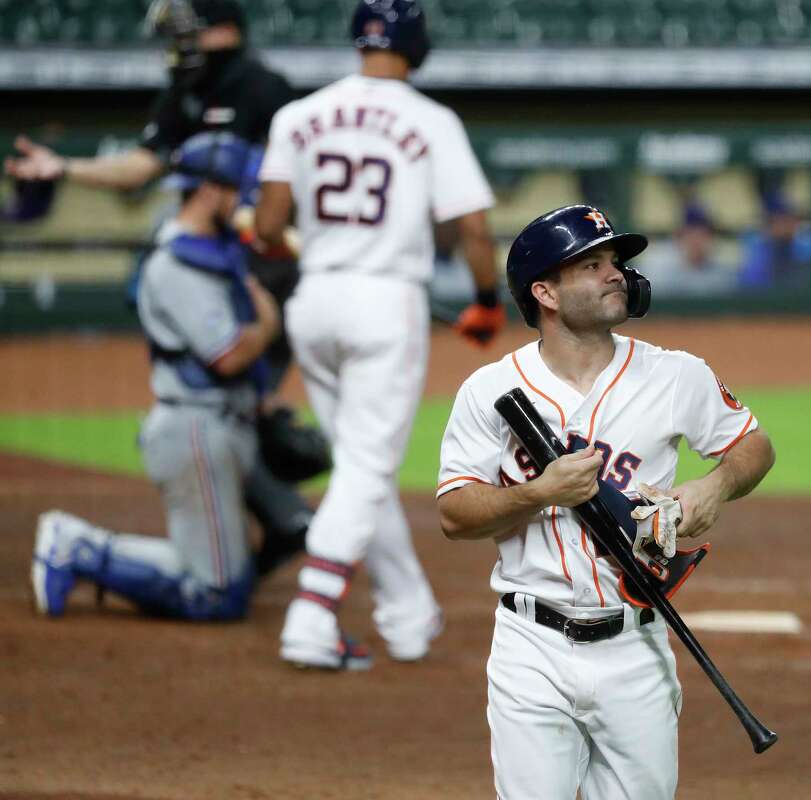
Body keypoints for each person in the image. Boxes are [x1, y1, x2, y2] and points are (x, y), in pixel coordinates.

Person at [436, 205, 776, 798]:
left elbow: (753, 446)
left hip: (635, 643)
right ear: (544, 292)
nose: (614, 273)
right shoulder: (489, 390)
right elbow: (454, 512)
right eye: (590, 265)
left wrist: (712, 487)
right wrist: (543, 493)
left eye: (614, 262)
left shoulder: (675, 374)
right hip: (530, 643)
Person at [5, 0, 326, 577]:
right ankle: (274, 520)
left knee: (246, 396)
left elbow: (305, 173)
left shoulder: (261, 86)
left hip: (268, 267)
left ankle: (271, 520)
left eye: (186, 32)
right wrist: (66, 169)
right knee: (231, 394)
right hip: (216, 262)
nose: (177, 46)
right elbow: (142, 163)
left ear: (220, 29)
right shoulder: (186, 90)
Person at [255, 0, 504, 670]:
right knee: (366, 465)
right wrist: (485, 302)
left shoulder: (296, 116)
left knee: (364, 467)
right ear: (416, 47)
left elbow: (268, 223)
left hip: (315, 300)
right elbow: (474, 229)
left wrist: (308, 243)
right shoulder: (431, 120)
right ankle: (312, 613)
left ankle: (407, 613)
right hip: (385, 303)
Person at [31, 132, 280, 621]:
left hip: (223, 423)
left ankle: (208, 562)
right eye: (236, 189)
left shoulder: (217, 251)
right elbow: (228, 355)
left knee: (283, 533)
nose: (245, 200)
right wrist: (268, 325)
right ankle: (78, 546)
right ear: (209, 189)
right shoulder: (175, 265)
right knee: (216, 595)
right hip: (194, 427)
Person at [639, 202, 736, 297]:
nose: (697, 241)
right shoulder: (660, 271)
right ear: (679, 236)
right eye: (691, 234)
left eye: (703, 235)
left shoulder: (722, 275)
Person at [737, 189, 811, 290]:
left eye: (787, 220)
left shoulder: (804, 245)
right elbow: (751, 284)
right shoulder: (758, 252)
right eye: (776, 221)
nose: (783, 226)